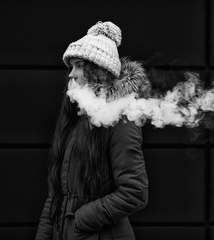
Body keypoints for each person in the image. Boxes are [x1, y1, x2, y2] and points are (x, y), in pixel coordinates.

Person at [35, 21, 150, 240]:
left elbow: (134, 193)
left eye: (79, 65)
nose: (71, 74)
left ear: (98, 72)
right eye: (71, 66)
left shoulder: (120, 119)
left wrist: (80, 220)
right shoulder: (75, 118)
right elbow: (57, 193)